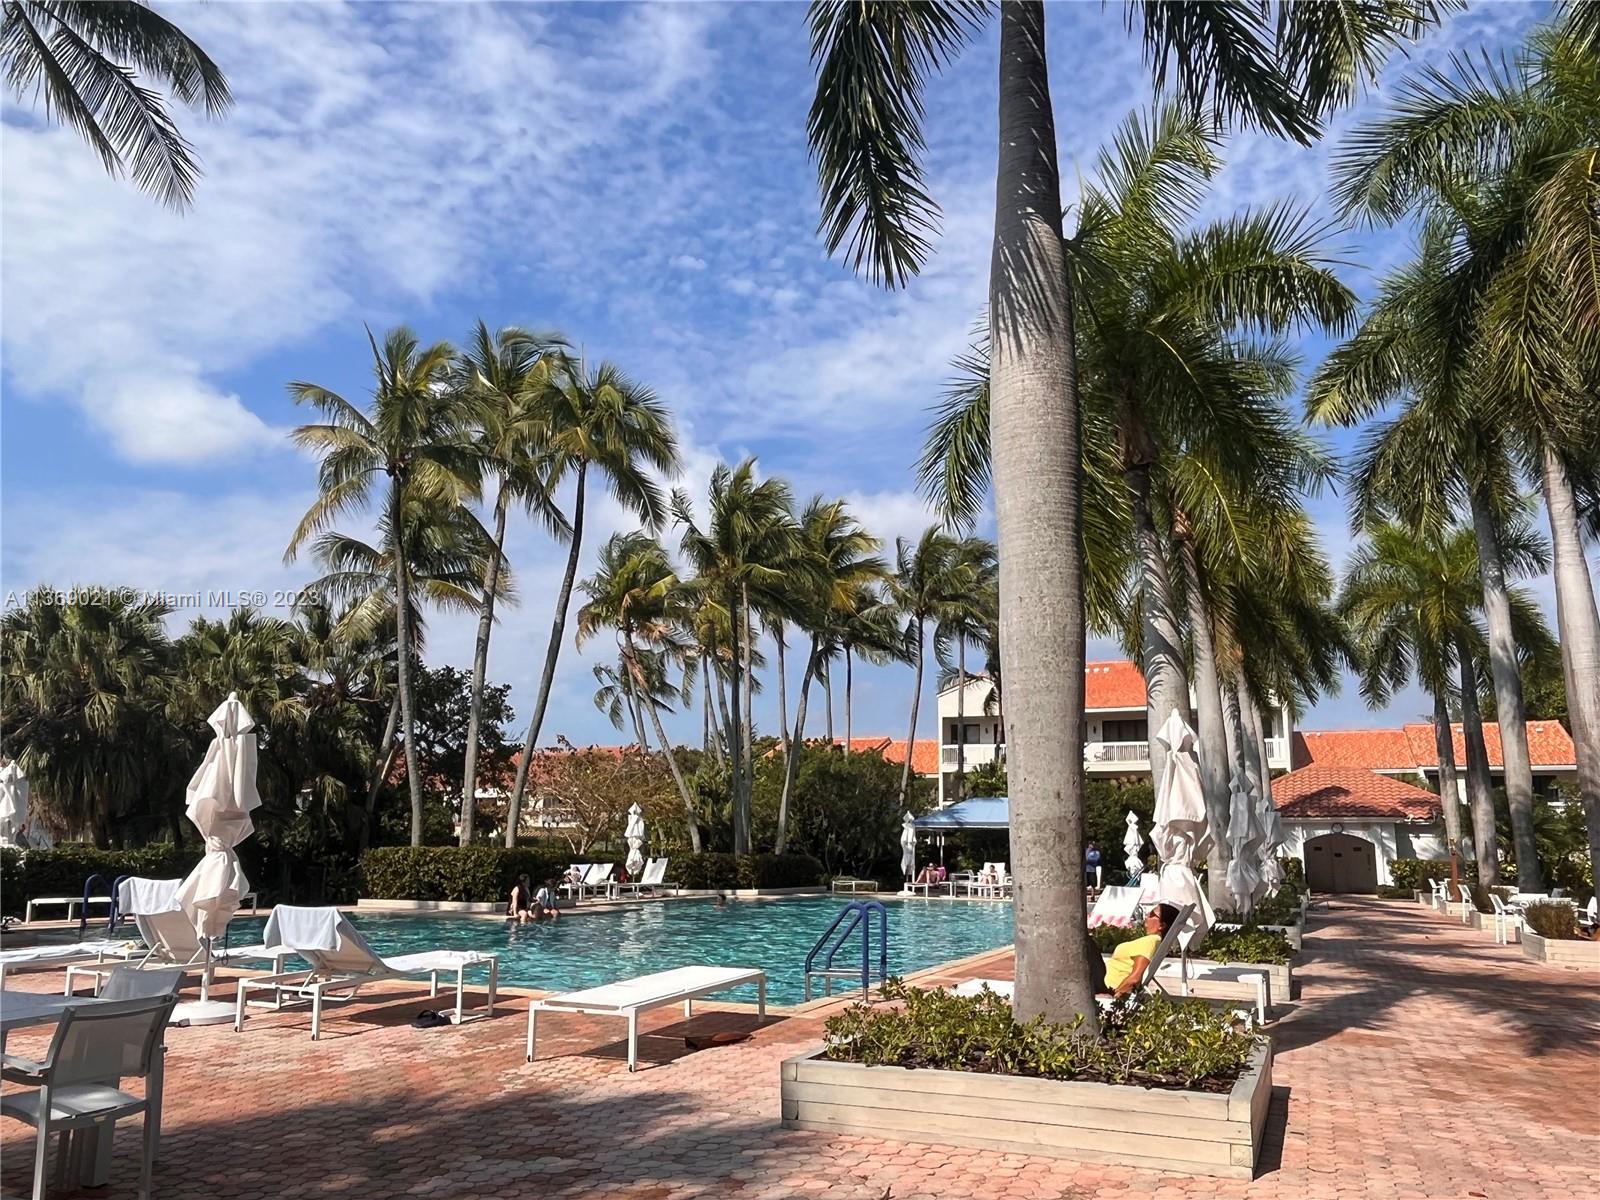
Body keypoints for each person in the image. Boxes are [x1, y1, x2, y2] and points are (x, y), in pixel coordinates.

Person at [1103, 902, 1180, 998]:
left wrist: (1115, 996)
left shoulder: (1151, 941)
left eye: (1151, 914)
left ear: (1162, 925)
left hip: (1108, 988)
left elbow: (1135, 978)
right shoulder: (1153, 941)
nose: (1146, 916)